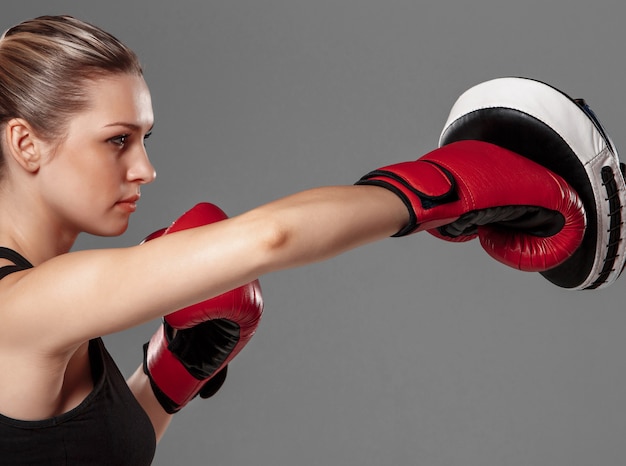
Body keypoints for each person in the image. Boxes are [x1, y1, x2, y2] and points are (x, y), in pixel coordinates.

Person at [0, 15, 597, 466]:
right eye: (117, 140)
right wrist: (443, 186)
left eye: (145, 137)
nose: (145, 169)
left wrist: (168, 379)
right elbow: (272, 237)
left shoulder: (48, 312)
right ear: (26, 144)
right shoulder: (19, 307)